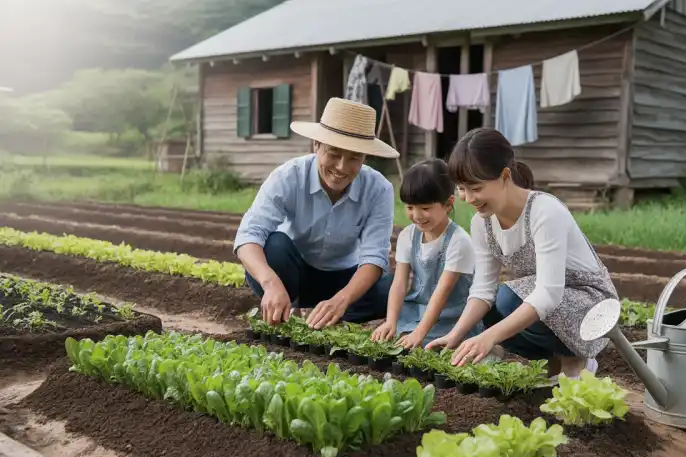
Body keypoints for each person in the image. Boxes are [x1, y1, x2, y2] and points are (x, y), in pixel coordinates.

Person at [426, 127, 619, 379]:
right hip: (551, 303)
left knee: (508, 298)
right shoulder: (482, 223)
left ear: (505, 176)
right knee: (492, 304)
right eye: (461, 189)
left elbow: (549, 293)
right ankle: (553, 361)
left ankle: (576, 359)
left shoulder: (544, 211)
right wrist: (456, 334)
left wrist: (489, 337)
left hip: (593, 307)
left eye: (475, 188)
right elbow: (483, 289)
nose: (468, 198)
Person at [234, 97, 397, 330]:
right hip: (294, 273)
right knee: (274, 246)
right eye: (334, 153)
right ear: (316, 145)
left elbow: (374, 256)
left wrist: (342, 299)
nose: (341, 167)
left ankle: (332, 314)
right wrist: (271, 284)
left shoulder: (379, 189)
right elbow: (248, 236)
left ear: (365, 157)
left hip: (344, 278)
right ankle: (287, 302)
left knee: (389, 289)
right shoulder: (288, 176)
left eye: (354, 158)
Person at [371, 159, 478, 348]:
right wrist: (390, 321)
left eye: (425, 208)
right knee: (391, 337)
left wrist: (419, 333)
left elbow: (442, 292)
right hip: (418, 310)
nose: (417, 215)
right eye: (410, 207)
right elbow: (399, 283)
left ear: (448, 204)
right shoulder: (408, 235)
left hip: (451, 315)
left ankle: (493, 349)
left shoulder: (459, 241)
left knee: (427, 345)